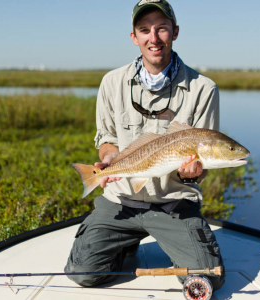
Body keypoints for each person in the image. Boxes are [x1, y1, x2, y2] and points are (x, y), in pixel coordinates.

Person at [65, 0, 225, 291]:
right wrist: (109, 161)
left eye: (161, 28)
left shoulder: (203, 88)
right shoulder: (111, 82)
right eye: (144, 29)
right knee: (82, 274)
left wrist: (194, 173)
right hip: (121, 199)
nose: (154, 38)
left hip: (174, 203)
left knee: (206, 277)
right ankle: (124, 247)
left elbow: (202, 162)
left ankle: (158, 241)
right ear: (134, 37)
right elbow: (108, 141)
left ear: (175, 32)